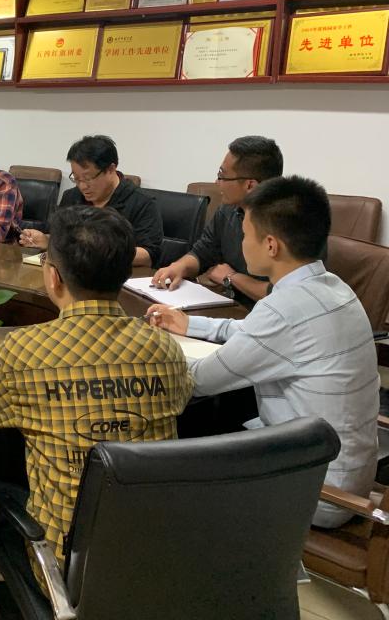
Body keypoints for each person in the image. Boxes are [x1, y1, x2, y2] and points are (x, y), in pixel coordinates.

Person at [0, 205, 192, 595]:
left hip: (65, 567)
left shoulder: (26, 351)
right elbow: (182, 396)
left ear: (53, 276)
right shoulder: (164, 350)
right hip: (154, 550)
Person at [147, 175, 378, 529]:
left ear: (271, 245)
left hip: (318, 491)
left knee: (169, 459)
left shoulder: (284, 310)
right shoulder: (333, 289)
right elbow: (258, 332)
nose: (241, 243)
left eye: (245, 235)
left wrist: (142, 353)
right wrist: (191, 324)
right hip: (345, 471)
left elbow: (197, 381)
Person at [152, 136, 283, 306]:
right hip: (228, 305)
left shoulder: (289, 223)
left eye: (222, 176)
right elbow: (202, 253)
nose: (217, 182)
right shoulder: (227, 210)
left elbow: (286, 294)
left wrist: (232, 277)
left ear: (250, 185)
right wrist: (179, 267)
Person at [20, 135, 162, 267]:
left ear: (111, 169)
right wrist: (46, 240)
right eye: (76, 178)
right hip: (73, 275)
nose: (82, 186)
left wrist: (97, 252)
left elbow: (149, 254)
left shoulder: (142, 203)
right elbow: (60, 237)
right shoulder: (72, 197)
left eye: (88, 178)